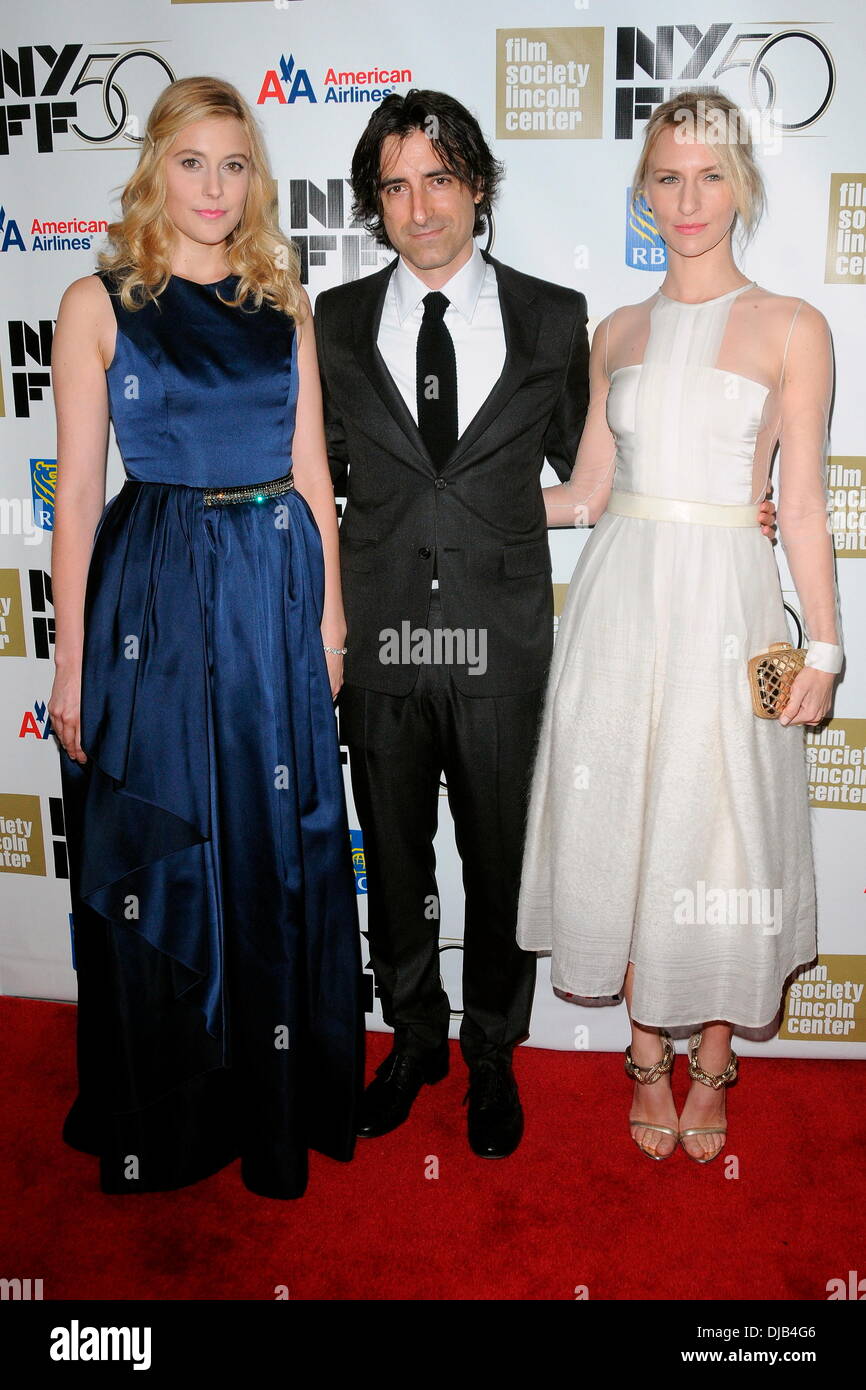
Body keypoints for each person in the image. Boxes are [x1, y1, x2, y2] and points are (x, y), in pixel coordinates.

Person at [314, 88, 777, 1159]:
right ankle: (412, 1039)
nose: (418, 206)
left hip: (504, 647)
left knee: (498, 862)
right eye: (394, 185)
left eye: (438, 179)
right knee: (392, 863)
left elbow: (598, 475)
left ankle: (488, 1056)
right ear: (373, 203)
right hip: (382, 644)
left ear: (477, 187)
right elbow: (312, 477)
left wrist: (725, 504)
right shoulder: (330, 320)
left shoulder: (551, 314)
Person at [49, 75, 364, 1200]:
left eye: (235, 165)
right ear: (156, 169)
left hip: (272, 588)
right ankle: (172, 1110)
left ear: (256, 179)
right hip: (156, 595)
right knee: (169, 843)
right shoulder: (99, 301)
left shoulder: (285, 302)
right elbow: (78, 496)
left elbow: (317, 474)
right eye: (194, 162)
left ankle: (272, 1098)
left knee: (274, 848)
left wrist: (327, 618)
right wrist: (74, 659)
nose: (215, 187)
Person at [516, 90, 842, 1163]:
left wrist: (826, 646)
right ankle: (642, 1051)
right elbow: (587, 494)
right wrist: (454, 498)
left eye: (707, 175)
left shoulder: (795, 325)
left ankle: (712, 1059)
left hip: (733, 607)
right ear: (641, 193)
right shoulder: (612, 330)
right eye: (666, 176)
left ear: (740, 183)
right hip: (617, 605)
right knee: (626, 821)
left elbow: (797, 506)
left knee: (722, 824)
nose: (686, 198)